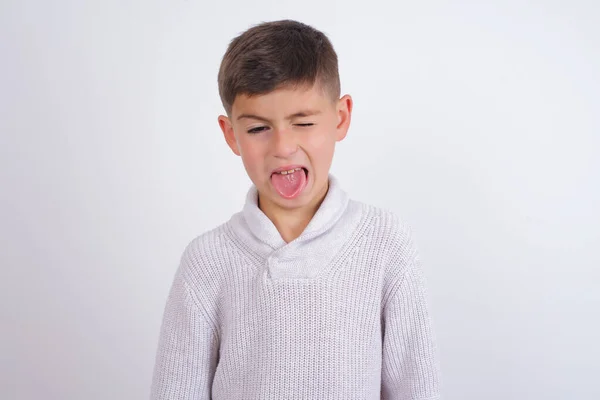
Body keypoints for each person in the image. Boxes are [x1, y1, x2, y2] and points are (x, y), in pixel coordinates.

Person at [150, 19, 440, 400]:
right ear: (230, 134)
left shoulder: (386, 243)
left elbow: (416, 387)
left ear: (340, 117)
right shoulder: (206, 261)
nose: (283, 147)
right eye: (257, 129)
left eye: (303, 122)